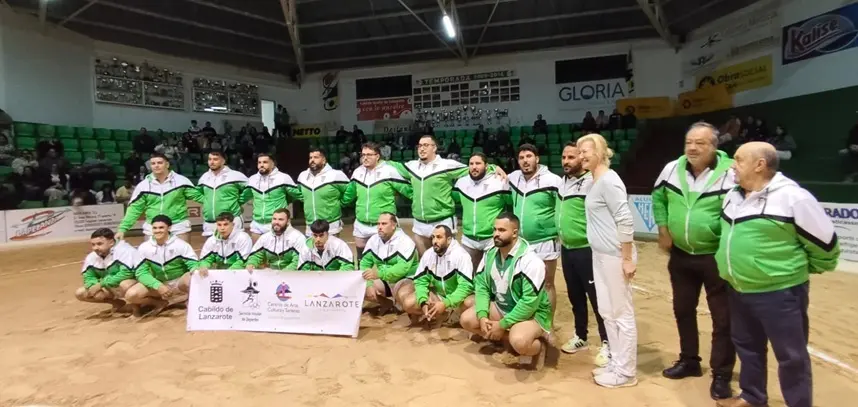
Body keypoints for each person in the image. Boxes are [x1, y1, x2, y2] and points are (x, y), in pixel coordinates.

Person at [715, 142, 840, 407]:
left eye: (737, 160)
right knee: (748, 348)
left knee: (791, 357)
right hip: (738, 289)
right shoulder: (733, 195)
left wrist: (795, 272)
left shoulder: (794, 198)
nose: (731, 166)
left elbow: (826, 245)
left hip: (780, 294)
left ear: (759, 165)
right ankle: (752, 396)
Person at [651, 122, 735, 399]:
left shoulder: (732, 173)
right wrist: (663, 228)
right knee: (683, 309)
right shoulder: (671, 169)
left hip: (716, 258)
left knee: (723, 318)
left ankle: (721, 374)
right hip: (681, 256)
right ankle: (689, 360)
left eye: (700, 143)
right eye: (689, 142)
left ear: (714, 146)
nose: (692, 148)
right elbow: (658, 197)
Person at [577, 133, 638, 388]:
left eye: (586, 152)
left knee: (621, 313)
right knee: (606, 311)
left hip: (615, 255)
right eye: (580, 153)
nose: (581, 157)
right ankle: (616, 361)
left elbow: (625, 219)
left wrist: (626, 258)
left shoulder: (610, 182)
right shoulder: (593, 181)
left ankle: (627, 373)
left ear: (600, 152)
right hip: (599, 254)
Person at [460, 213, 553, 369]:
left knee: (520, 341)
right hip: (504, 306)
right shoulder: (490, 253)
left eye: (502, 230)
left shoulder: (531, 261)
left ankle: (538, 347)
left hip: (532, 314)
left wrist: (502, 324)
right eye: (495, 229)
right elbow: (481, 286)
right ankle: (505, 340)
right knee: (467, 320)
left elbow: (529, 303)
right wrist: (483, 316)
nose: (496, 234)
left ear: (515, 233)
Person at [394, 135, 504, 257]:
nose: (422, 149)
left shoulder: (446, 165)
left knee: (446, 262)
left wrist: (493, 167)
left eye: (426, 145)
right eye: (420, 146)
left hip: (442, 220)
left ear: (434, 148)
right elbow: (393, 167)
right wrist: (379, 161)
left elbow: (472, 169)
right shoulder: (411, 166)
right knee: (425, 263)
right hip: (419, 223)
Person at [556, 142, 610, 366]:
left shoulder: (593, 182)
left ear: (582, 159)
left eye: (571, 157)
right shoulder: (561, 182)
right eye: (564, 157)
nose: (566, 161)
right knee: (575, 296)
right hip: (566, 250)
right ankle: (581, 336)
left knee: (597, 298)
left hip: (587, 250)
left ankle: (608, 342)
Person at [508, 144, 562, 316]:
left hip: (545, 241)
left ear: (537, 159)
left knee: (546, 283)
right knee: (522, 283)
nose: (525, 161)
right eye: (522, 158)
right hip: (521, 243)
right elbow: (494, 172)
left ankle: (547, 324)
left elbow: (562, 208)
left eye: (529, 156)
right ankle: (526, 318)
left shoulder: (553, 181)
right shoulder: (513, 178)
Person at [341, 142, 412, 260]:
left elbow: (407, 190)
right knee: (362, 260)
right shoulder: (357, 172)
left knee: (387, 259)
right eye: (363, 155)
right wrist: (339, 204)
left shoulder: (389, 171)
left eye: (369, 154)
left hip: (383, 224)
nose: (365, 158)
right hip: (361, 224)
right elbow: (349, 194)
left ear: (377, 156)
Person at [116, 153, 201, 241]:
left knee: (181, 255)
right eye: (153, 164)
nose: (156, 166)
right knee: (150, 255)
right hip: (152, 228)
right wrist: (122, 229)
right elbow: (134, 209)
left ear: (167, 164)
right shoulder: (143, 186)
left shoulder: (181, 181)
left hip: (178, 227)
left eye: (160, 163)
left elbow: (201, 198)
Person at [125, 215, 199, 317]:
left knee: (193, 277)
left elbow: (193, 264)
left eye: (161, 228)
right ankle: (159, 303)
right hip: (159, 283)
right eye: (154, 228)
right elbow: (141, 273)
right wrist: (158, 286)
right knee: (131, 295)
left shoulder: (182, 245)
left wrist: (195, 269)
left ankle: (192, 305)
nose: (157, 231)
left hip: (178, 283)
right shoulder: (144, 248)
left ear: (169, 228)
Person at [399, 225, 475, 323]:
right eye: (433, 237)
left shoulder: (461, 256)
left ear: (449, 239)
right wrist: (423, 301)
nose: (435, 241)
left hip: (460, 300)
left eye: (439, 237)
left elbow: (465, 287)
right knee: (408, 304)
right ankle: (444, 315)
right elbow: (420, 281)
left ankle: (456, 315)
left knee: (471, 303)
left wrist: (446, 303)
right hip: (439, 296)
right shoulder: (428, 254)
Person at [454, 152, 511, 270]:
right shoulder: (461, 183)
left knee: (492, 277)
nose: (474, 166)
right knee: (468, 277)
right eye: (471, 163)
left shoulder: (500, 182)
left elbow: (511, 204)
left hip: (492, 239)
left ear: (486, 166)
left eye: (478, 163)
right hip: (468, 239)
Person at [360, 212, 418, 312]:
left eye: (384, 224)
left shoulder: (405, 241)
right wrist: (369, 284)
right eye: (378, 224)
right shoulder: (373, 240)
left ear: (393, 225)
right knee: (359, 287)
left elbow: (402, 268)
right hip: (384, 280)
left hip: (405, 279)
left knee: (406, 302)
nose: (379, 227)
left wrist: (379, 274)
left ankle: (403, 304)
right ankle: (386, 303)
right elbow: (365, 263)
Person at [75, 228, 141, 313]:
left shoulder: (125, 251)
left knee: (125, 284)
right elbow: (88, 276)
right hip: (111, 285)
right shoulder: (91, 257)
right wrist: (93, 286)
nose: (95, 248)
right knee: (80, 293)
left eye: (99, 244)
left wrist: (101, 284)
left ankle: (137, 308)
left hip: (137, 284)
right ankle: (118, 303)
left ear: (111, 242)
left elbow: (127, 273)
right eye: (93, 244)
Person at [244, 153, 302, 238]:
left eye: (265, 162)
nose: (261, 165)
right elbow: (242, 198)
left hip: (276, 223)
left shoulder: (283, 178)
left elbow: (299, 195)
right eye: (259, 163)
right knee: (257, 251)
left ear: (273, 164)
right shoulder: (252, 179)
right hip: (257, 224)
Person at [295, 148, 350, 236]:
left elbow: (349, 191)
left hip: (331, 225)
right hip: (310, 225)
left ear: (324, 160)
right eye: (310, 157)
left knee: (331, 249)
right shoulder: (302, 176)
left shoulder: (336, 175)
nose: (312, 160)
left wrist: (341, 203)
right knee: (311, 249)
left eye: (316, 157)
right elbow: (300, 194)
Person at [197, 150, 249, 237]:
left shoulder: (235, 175)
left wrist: (239, 201)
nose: (212, 162)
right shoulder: (204, 177)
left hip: (231, 221)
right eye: (210, 159)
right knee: (212, 250)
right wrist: (206, 202)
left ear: (223, 161)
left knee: (233, 250)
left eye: (215, 159)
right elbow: (198, 193)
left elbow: (250, 189)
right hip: (209, 223)